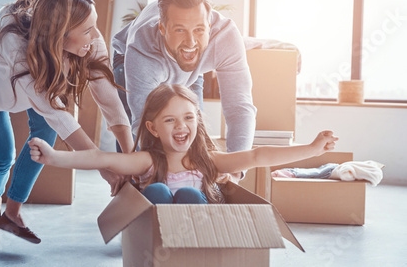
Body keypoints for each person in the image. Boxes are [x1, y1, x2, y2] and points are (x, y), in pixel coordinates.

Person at [0, 0, 133, 243]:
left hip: (32, 79)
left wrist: (129, 158)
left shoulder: (88, 41)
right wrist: (103, 165)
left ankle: (13, 214)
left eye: (94, 25)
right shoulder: (16, 46)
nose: (96, 36)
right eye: (87, 30)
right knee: (4, 154)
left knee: (45, 137)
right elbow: (57, 114)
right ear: (60, 34)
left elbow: (109, 98)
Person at [29, 84, 338, 205]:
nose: (181, 127)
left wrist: (311, 150)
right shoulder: (148, 160)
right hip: (157, 243)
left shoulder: (209, 162)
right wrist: (55, 157)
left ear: (197, 121)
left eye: (189, 118)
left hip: (196, 241)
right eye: (170, 120)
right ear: (152, 127)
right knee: (158, 191)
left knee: (190, 192)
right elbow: (102, 159)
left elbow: (258, 155)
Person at [112, 0, 300, 158]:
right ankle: (129, 185)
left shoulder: (225, 37)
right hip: (129, 60)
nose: (191, 42)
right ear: (162, 28)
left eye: (199, 30)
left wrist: (234, 169)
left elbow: (239, 107)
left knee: (194, 132)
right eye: (180, 30)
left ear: (209, 26)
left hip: (191, 69)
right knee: (135, 145)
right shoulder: (142, 48)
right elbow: (144, 123)